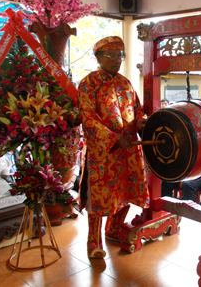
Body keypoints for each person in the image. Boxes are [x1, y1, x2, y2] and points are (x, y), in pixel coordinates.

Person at [78, 36, 150, 259]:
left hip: (128, 151)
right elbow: (87, 119)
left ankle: (113, 229)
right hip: (104, 154)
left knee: (126, 192)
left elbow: (137, 112)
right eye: (111, 56)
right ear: (98, 57)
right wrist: (114, 139)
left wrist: (142, 123)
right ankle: (93, 241)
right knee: (98, 198)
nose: (117, 60)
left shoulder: (125, 83)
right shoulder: (88, 84)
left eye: (120, 56)